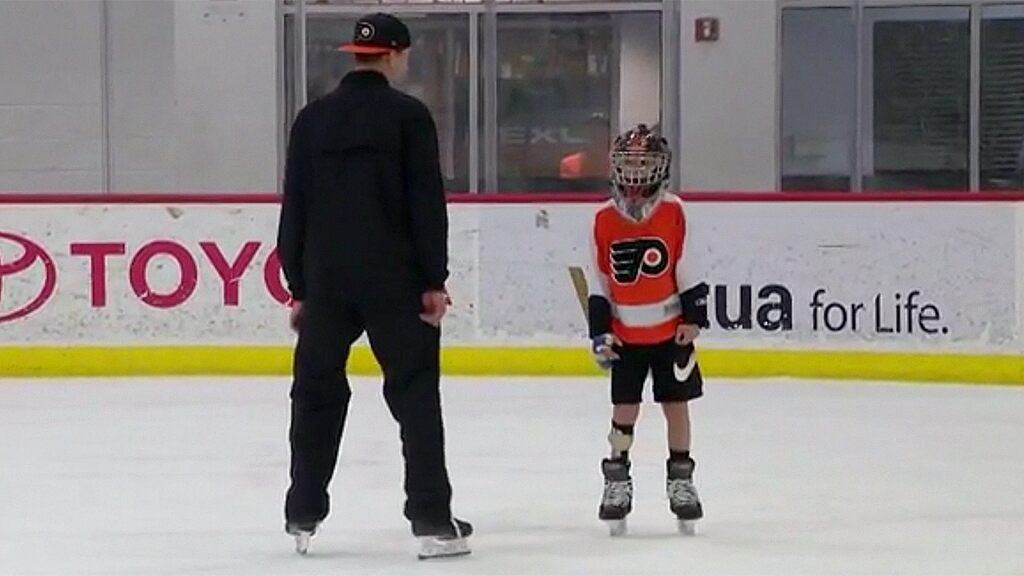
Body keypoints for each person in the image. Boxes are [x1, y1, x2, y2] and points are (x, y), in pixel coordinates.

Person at [276, 12, 471, 560]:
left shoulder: (312, 120)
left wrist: (300, 286)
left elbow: (296, 207)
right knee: (414, 396)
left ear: (357, 55)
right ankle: (431, 519)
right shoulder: (409, 118)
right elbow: (425, 204)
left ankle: (302, 510)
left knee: (315, 393)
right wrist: (433, 280)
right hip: (396, 279)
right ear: (394, 56)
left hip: (328, 280)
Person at [585, 124, 709, 536]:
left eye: (645, 165)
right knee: (624, 410)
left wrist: (693, 316)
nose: (636, 177)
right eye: (629, 165)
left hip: (670, 333)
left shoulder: (674, 211)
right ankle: (616, 478)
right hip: (626, 338)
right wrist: (599, 331)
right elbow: (599, 279)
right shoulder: (602, 219)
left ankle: (681, 479)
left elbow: (685, 264)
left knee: (676, 405)